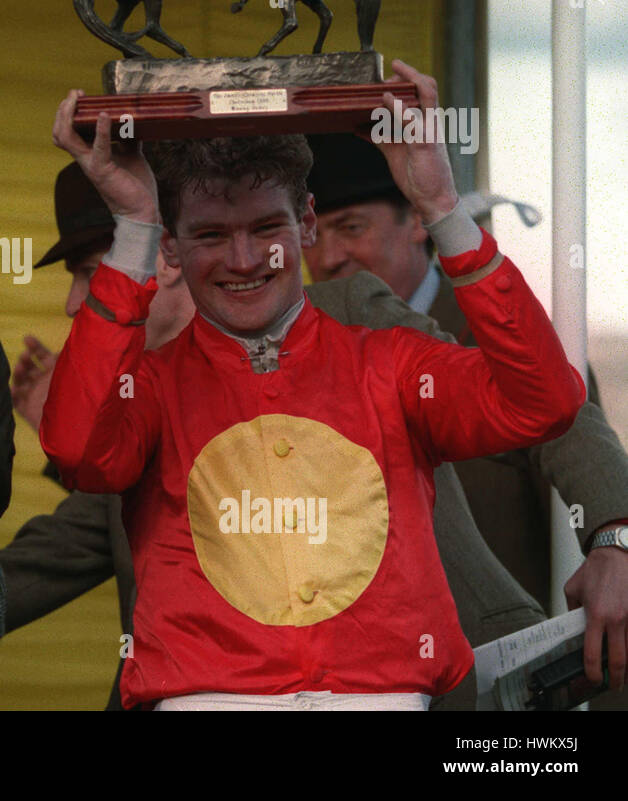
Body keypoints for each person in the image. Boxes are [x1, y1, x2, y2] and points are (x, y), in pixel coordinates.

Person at [39, 61, 590, 709]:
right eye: (212, 235)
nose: (244, 260)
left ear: (306, 222)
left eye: (266, 229)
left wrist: (443, 208)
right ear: (171, 247)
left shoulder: (390, 365)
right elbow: (75, 450)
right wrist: (130, 227)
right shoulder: (152, 389)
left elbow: (545, 402)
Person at [304, 131, 628, 618]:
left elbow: (573, 433)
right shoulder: (307, 345)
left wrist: (616, 537)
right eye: (315, 234)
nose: (328, 258)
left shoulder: (503, 340)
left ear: (416, 220)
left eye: (350, 228)